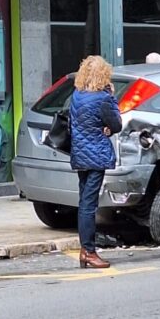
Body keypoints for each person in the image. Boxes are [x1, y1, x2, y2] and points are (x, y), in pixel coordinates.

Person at [70, 55, 122, 269]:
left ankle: (86, 250)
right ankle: (89, 252)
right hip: (96, 155)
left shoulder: (76, 95)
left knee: (84, 202)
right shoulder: (103, 98)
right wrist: (112, 96)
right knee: (89, 206)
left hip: (80, 155)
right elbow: (116, 124)